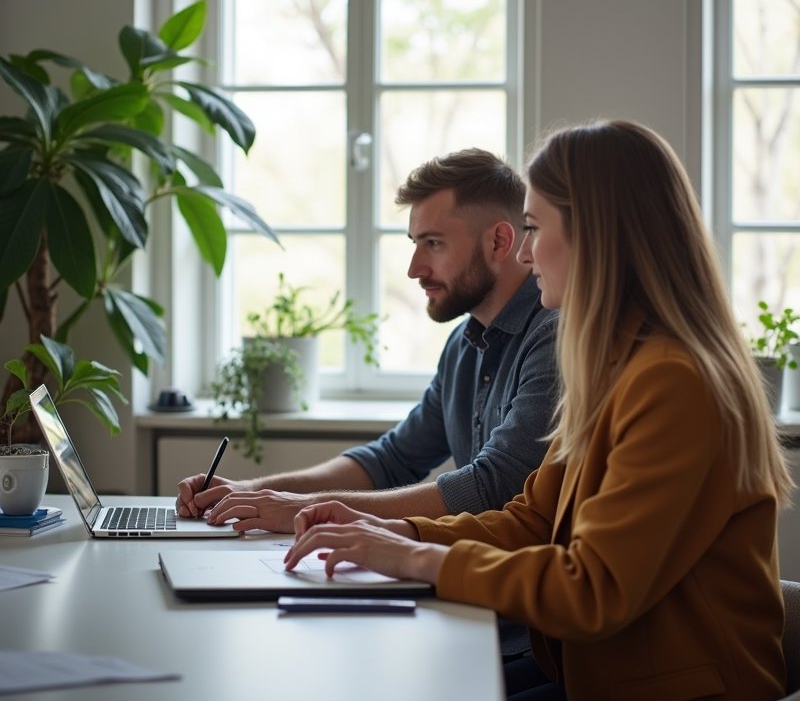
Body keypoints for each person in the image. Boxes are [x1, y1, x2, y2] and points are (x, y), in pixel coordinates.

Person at [283, 120, 793, 701]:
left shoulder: (676, 383)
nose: (524, 252)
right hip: (597, 674)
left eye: (533, 228)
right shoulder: (617, 366)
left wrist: (416, 557)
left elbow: (591, 589)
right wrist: (391, 530)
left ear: (598, 236)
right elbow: (531, 518)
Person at [177, 147, 559, 656]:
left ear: (500, 240)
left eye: (433, 243)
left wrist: (304, 508)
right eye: (414, 243)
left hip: (524, 637)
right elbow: (391, 458)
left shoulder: (553, 336)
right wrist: (252, 493)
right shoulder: (467, 342)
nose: (414, 268)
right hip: (469, 610)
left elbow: (494, 487)